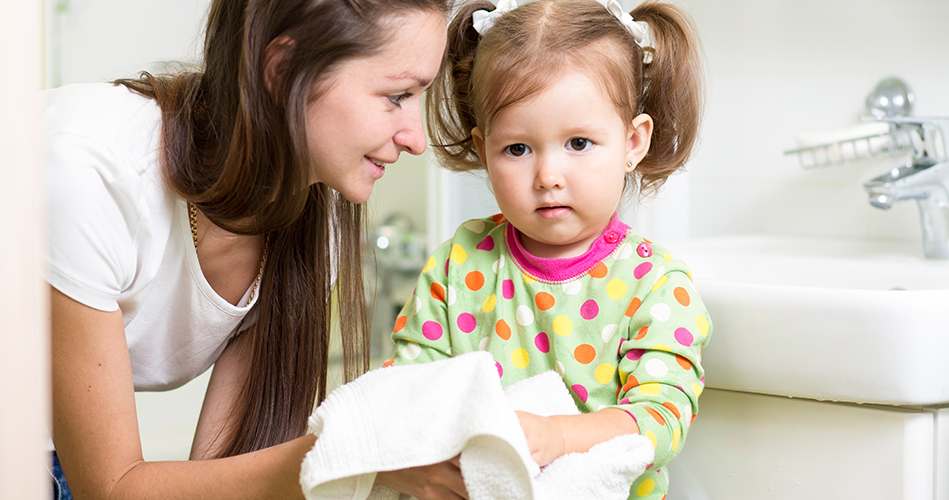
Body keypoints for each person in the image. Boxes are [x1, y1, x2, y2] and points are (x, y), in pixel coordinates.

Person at [44, 0, 468, 498]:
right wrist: (355, 450)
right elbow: (110, 488)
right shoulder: (89, 171)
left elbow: (226, 473)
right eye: (398, 95)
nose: (417, 139)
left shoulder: (316, 222)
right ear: (283, 69)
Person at [385, 0, 712, 498]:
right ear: (483, 147)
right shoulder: (459, 264)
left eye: (579, 143)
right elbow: (410, 388)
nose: (548, 177)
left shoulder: (657, 284)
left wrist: (559, 437)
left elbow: (662, 418)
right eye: (517, 149)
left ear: (632, 142)